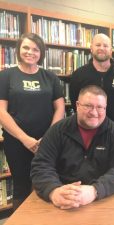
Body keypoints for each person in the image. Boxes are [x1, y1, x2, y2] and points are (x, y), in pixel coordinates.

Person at [31, 85, 114, 209]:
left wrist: (95, 190)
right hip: (62, 200)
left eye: (100, 107)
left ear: (105, 108)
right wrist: (53, 191)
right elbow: (41, 166)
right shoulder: (57, 131)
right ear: (77, 105)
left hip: (103, 200)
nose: (94, 112)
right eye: (88, 106)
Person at [0, 33, 65, 210]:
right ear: (18, 50)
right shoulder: (6, 76)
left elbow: (60, 108)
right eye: (26, 48)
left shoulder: (50, 77)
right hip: (17, 142)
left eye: (35, 49)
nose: (30, 52)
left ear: (41, 53)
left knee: (47, 182)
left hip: (47, 142)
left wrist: (49, 137)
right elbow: (1, 111)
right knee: (21, 186)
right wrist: (24, 139)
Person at [70, 33, 114, 127]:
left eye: (105, 46)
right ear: (91, 48)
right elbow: (74, 102)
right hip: (86, 128)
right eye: (98, 45)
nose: (101, 48)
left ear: (111, 51)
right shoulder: (78, 74)